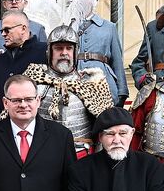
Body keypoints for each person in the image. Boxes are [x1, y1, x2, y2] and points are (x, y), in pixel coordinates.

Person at [23, 23, 114, 157]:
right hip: (41, 154)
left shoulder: (91, 83)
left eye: (69, 48)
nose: (64, 53)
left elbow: (106, 128)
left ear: (75, 52)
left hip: (81, 155)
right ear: (49, 51)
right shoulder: (31, 82)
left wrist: (97, 161)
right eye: (59, 48)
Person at [67, 0, 129, 105]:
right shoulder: (66, 26)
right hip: (72, 82)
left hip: (103, 83)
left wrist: (122, 91)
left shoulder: (108, 27)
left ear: (93, 1)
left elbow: (117, 60)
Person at [0, 11, 48, 126]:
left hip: (34, 128)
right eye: (2, 31)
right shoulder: (1, 60)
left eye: (7, 30)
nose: (3, 34)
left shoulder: (45, 52)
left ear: (23, 28)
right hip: (3, 128)